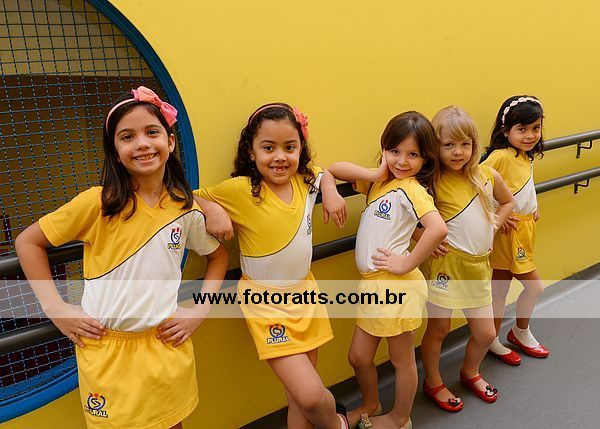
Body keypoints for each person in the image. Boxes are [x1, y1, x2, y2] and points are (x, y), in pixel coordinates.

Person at [15, 86, 229, 429]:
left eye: (152, 132)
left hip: (165, 346)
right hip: (107, 351)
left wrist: (200, 310)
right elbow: (28, 243)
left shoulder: (185, 208)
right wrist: (55, 307)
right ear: (115, 153)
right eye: (127, 137)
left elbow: (218, 258)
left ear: (170, 141)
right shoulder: (97, 203)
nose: (142, 143)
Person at [194, 103, 350, 428]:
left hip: (305, 296)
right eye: (269, 148)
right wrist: (213, 209)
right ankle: (338, 423)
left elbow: (323, 172)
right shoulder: (241, 190)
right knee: (311, 396)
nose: (280, 157)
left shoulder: (304, 179)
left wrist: (331, 191)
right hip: (266, 305)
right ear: (251, 152)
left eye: (289, 148)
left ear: (300, 150)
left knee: (298, 400)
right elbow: (183, 195)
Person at [328, 111, 447, 429]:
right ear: (384, 148)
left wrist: (406, 262)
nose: (402, 161)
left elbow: (437, 228)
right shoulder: (378, 184)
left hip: (396, 285)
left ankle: (399, 418)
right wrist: (373, 172)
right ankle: (371, 403)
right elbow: (333, 170)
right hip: (373, 285)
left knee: (400, 359)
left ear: (425, 158)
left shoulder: (412, 188)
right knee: (358, 357)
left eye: (413, 154)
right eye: (395, 151)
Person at [418, 106, 513, 412]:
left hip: (478, 266)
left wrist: (493, 226)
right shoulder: (431, 181)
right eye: (448, 145)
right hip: (445, 266)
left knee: (486, 333)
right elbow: (408, 220)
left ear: (474, 145)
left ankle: (470, 372)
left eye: (465, 144)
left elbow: (507, 202)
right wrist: (422, 239)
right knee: (439, 329)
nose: (458, 152)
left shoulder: (486, 175)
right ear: (435, 147)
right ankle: (433, 381)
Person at [482, 95, 550, 365]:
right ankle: (519, 332)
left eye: (536, 128)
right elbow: (475, 184)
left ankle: (493, 338)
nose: (530, 135)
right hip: (507, 233)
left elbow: (522, 185)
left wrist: (534, 205)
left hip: (524, 229)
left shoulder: (524, 155)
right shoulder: (500, 156)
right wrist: (496, 212)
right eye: (522, 129)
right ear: (505, 130)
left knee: (500, 288)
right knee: (535, 288)